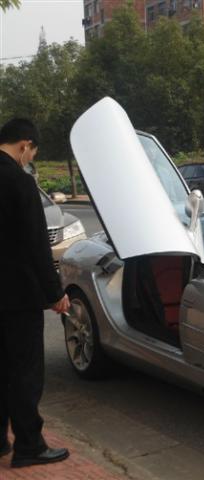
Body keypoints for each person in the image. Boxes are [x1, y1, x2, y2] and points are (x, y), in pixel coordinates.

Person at [0, 118, 70, 468]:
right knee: (24, 372)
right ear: (25, 145)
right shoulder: (19, 182)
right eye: (31, 152)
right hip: (17, 297)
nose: (29, 158)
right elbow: (36, 246)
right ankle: (29, 446)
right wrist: (54, 292)